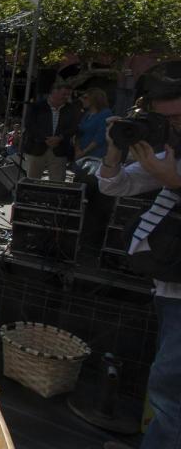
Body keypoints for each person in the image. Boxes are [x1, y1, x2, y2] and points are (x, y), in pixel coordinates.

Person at [97, 68, 181, 449]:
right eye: (164, 119)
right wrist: (114, 150)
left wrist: (174, 180)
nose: (171, 126)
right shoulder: (167, 153)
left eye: (177, 117)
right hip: (170, 283)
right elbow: (113, 185)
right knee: (168, 384)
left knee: (168, 387)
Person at [23, 81, 80, 181]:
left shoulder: (71, 109)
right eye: (64, 94)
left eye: (68, 94)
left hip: (59, 150)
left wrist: (60, 138)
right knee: (32, 181)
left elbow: (73, 128)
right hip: (37, 148)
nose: (66, 97)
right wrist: (45, 139)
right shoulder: (37, 107)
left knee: (57, 183)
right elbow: (30, 126)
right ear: (54, 92)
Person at [75, 87, 113, 164]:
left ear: (94, 99)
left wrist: (84, 152)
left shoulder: (105, 113)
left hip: (96, 154)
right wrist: (77, 149)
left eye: (85, 98)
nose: (82, 100)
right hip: (80, 152)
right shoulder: (86, 114)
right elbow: (78, 132)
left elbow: (100, 136)